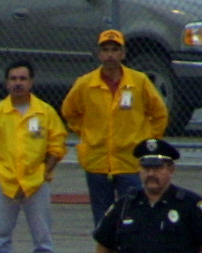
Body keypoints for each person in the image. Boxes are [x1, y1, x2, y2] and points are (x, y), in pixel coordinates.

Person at [0, 58, 66, 253]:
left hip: (36, 184)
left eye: (23, 79)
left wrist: (45, 172)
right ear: (6, 83)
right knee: (1, 235)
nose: (18, 83)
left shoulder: (45, 112)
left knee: (42, 236)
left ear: (31, 82)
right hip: (5, 184)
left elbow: (57, 144)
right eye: (13, 79)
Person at [61, 30, 167, 225]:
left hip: (130, 161)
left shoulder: (139, 82)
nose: (110, 55)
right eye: (105, 50)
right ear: (99, 54)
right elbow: (69, 112)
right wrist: (87, 132)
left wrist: (148, 141)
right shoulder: (85, 84)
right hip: (97, 162)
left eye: (115, 50)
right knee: (103, 219)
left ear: (123, 53)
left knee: (135, 215)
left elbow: (159, 114)